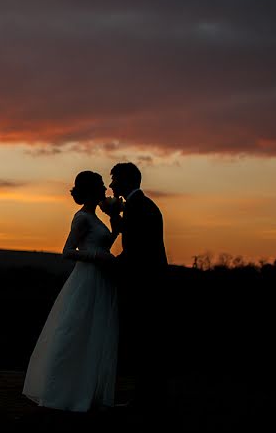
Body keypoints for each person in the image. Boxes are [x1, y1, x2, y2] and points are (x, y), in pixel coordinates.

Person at [22, 170, 120, 412]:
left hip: (101, 280)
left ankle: (86, 388)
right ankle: (63, 391)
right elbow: (67, 251)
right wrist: (96, 256)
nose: (105, 190)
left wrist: (115, 221)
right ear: (91, 190)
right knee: (76, 330)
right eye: (100, 186)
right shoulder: (82, 218)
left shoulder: (96, 218)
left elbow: (107, 241)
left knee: (94, 332)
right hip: (86, 280)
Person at [107, 162, 169, 417]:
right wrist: (114, 215)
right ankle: (148, 398)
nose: (111, 185)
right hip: (149, 283)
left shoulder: (139, 207)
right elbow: (132, 235)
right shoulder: (140, 205)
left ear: (126, 180)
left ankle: (147, 401)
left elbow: (137, 250)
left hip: (145, 285)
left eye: (114, 179)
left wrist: (108, 264)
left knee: (145, 343)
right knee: (147, 343)